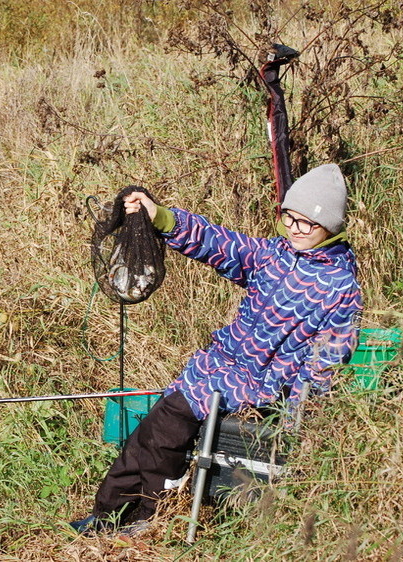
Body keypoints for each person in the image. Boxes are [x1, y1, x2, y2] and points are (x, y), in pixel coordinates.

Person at [70, 163, 363, 535]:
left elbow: (323, 365)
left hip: (255, 388)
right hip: (214, 366)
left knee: (162, 434)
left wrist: (296, 427)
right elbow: (220, 243)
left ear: (331, 228)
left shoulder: (341, 289)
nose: (293, 228)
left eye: (306, 222)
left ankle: (143, 519)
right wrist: (159, 216)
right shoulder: (275, 254)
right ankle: (107, 514)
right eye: (289, 216)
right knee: (146, 437)